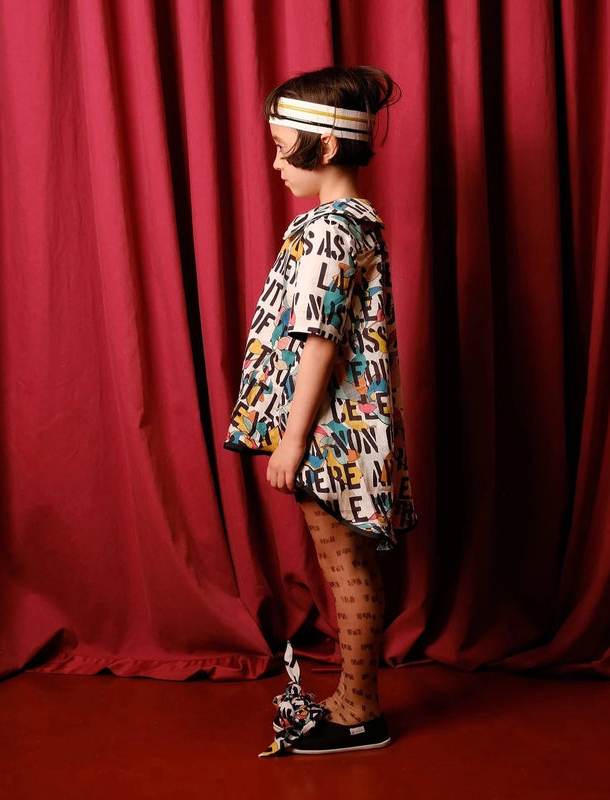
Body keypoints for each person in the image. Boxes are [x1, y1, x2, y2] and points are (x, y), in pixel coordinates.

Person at [224, 65, 417, 756]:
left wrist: (292, 440)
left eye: (284, 148)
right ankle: (353, 699)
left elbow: (319, 337)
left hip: (333, 436)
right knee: (349, 566)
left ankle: (360, 711)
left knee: (346, 570)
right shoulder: (353, 223)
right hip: (344, 432)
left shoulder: (330, 230)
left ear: (327, 147)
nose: (276, 163)